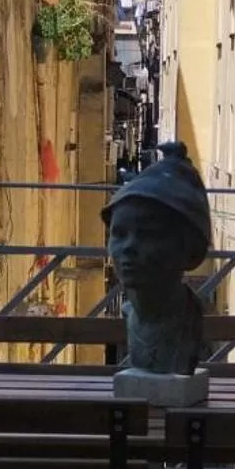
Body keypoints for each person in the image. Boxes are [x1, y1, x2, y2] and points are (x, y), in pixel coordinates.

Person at [99, 142, 211, 374]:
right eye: (119, 234)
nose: (128, 247)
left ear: (188, 249)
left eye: (148, 234)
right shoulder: (130, 315)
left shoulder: (188, 321)